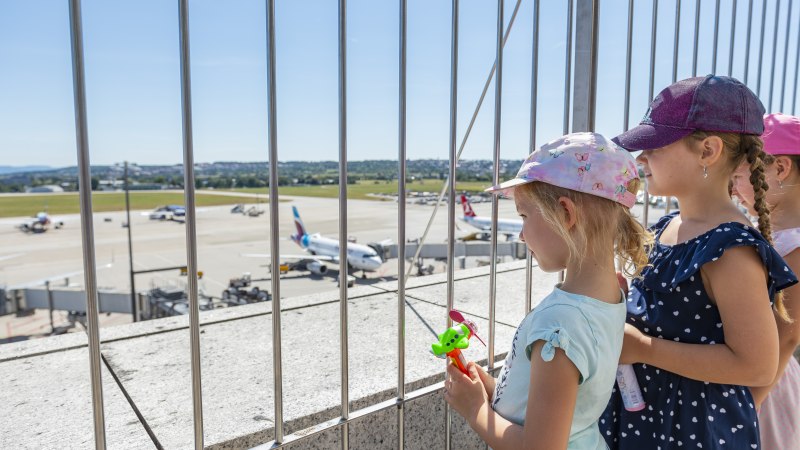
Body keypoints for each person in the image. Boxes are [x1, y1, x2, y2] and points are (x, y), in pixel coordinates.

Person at [600, 75, 798, 450]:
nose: (641, 158)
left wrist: (642, 347)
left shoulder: (730, 248)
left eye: (654, 145)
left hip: (693, 432)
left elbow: (757, 364)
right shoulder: (668, 227)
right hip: (654, 419)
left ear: (708, 150)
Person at [444, 132, 652, 449]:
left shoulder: (561, 324)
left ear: (566, 214)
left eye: (525, 216)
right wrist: (490, 391)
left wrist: (476, 410)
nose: (523, 235)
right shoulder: (609, 298)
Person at [731, 112, 800, 449]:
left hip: (762, 390)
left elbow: (787, 336)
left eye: (741, 176)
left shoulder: (795, 246)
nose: (733, 189)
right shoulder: (767, 234)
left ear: (781, 168)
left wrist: (746, 409)